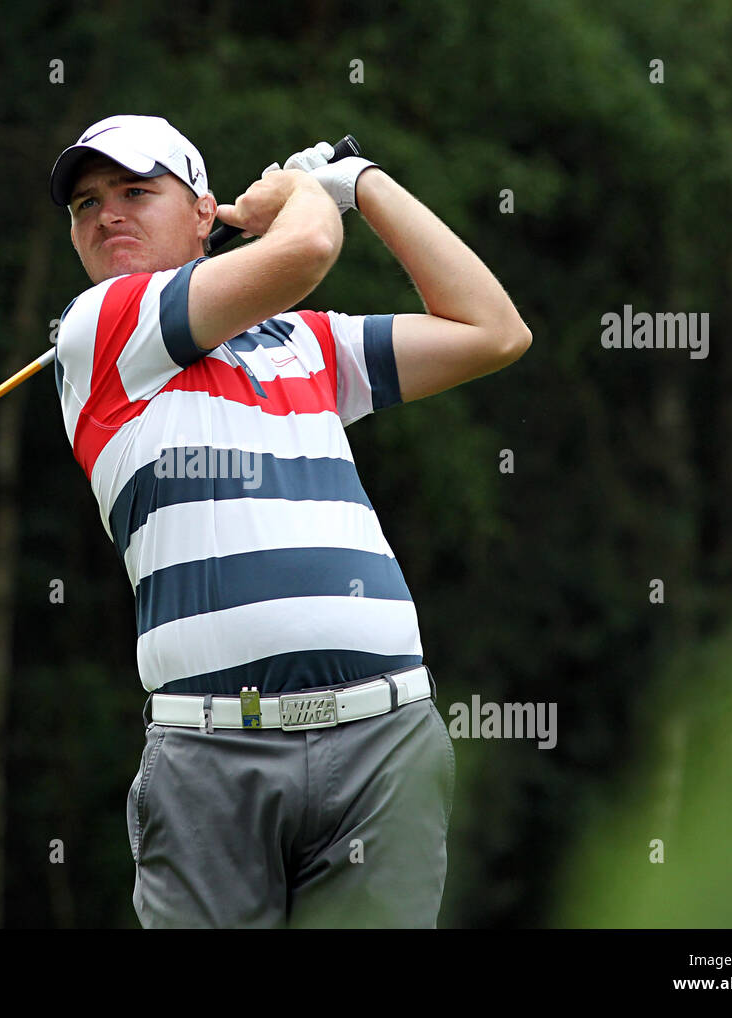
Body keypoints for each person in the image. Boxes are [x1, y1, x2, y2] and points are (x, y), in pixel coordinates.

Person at [48, 114, 530, 928]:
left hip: (385, 738)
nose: (107, 215)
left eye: (136, 190)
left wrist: (364, 181)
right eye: (86, 204)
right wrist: (309, 194)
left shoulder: (301, 344)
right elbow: (306, 252)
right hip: (212, 756)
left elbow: (493, 331)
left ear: (206, 212)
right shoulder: (98, 329)